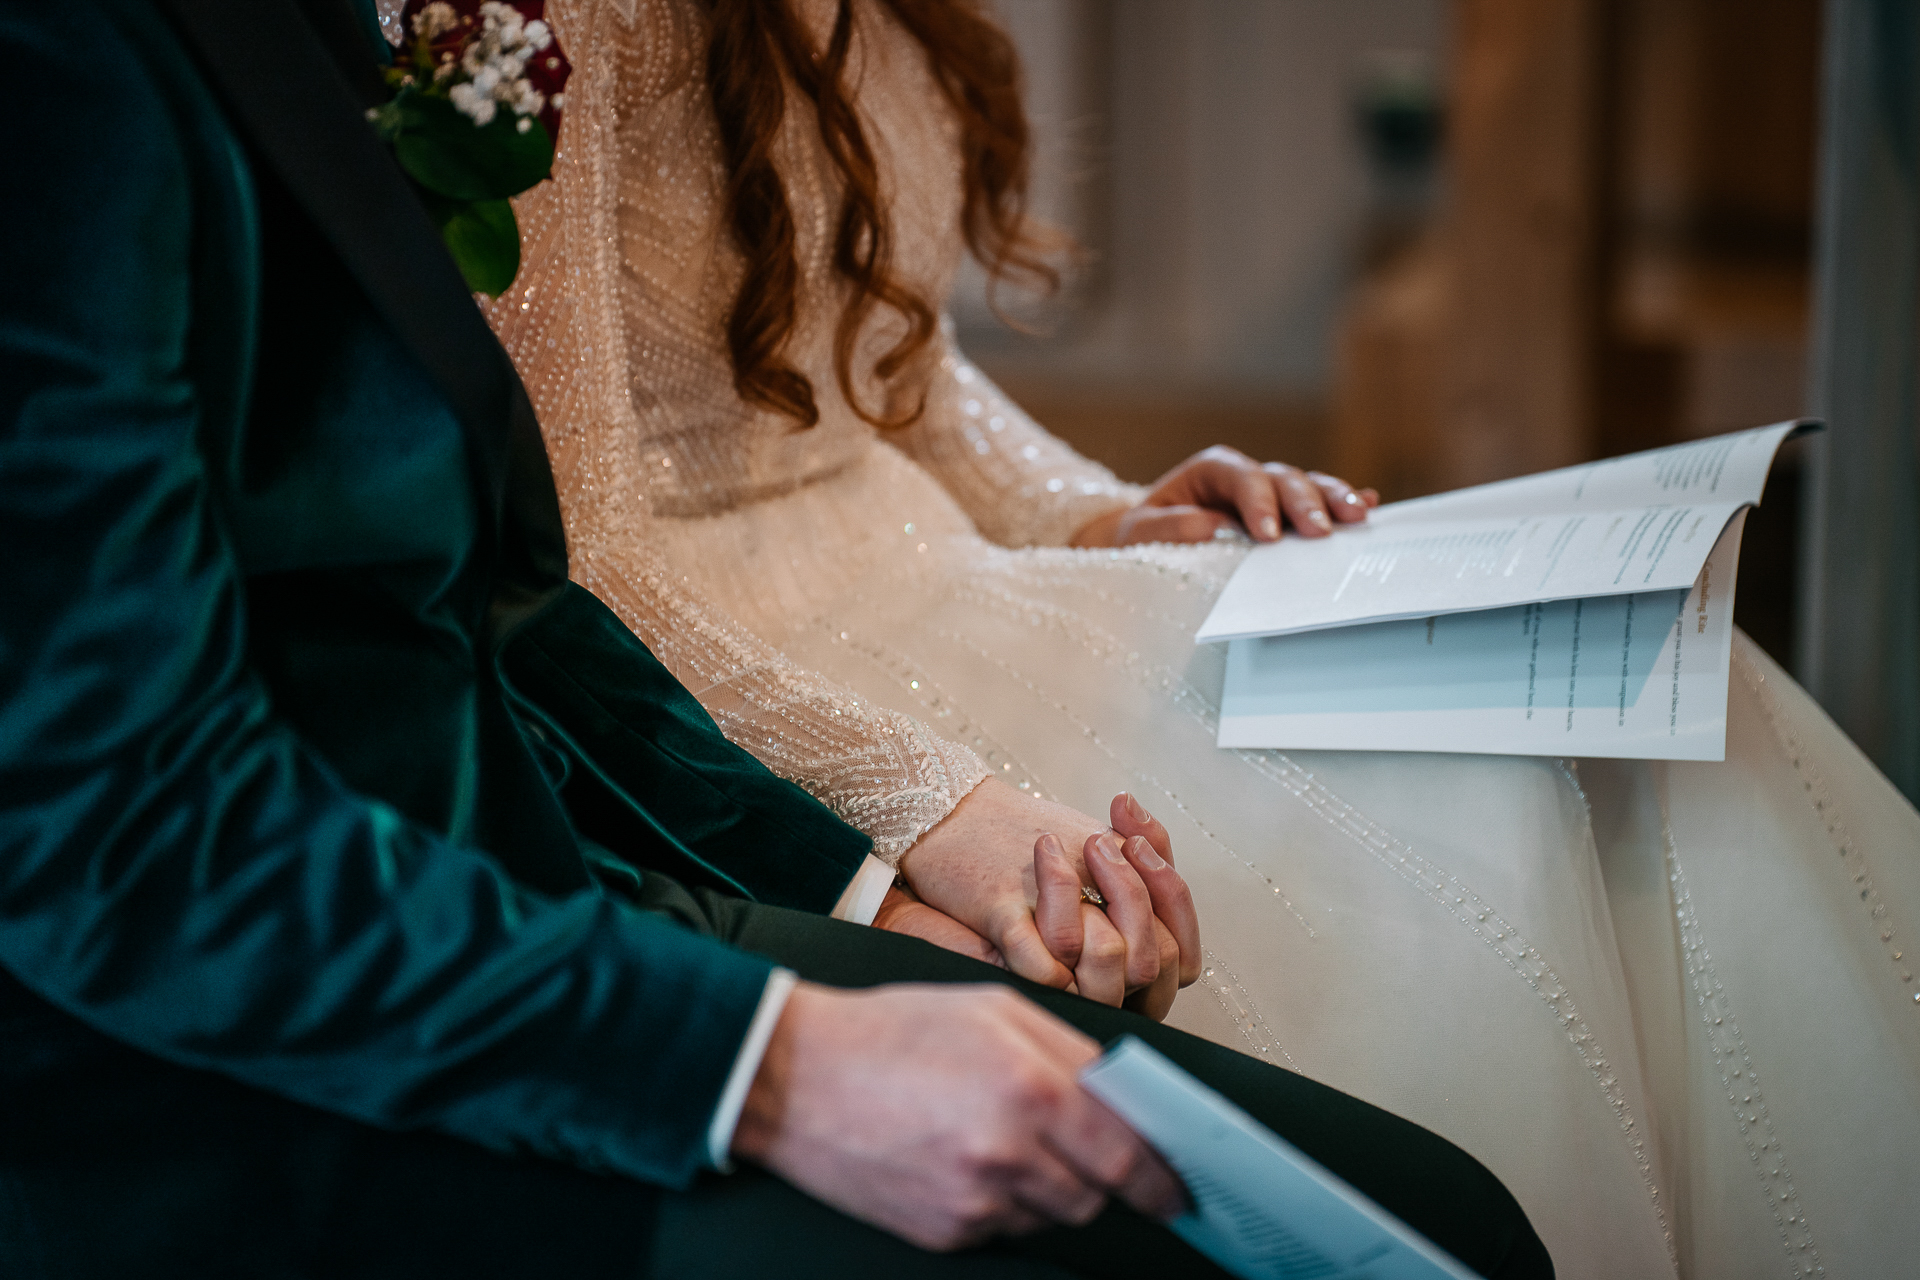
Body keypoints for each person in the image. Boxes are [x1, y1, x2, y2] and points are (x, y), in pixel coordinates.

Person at [0, 0, 1559, 1275]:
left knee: (1447, 1224)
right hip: (269, 1075)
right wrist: (779, 1059)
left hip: (541, 849)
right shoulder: (65, 61)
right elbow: (122, 834)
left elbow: (492, 579)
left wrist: (848, 880)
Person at [491, 0, 1920, 1276]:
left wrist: (1109, 517)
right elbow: (576, 549)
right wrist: (930, 805)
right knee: (1490, 829)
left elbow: (878, 357)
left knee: (1646, 698)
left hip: (947, 563)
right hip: (750, 655)